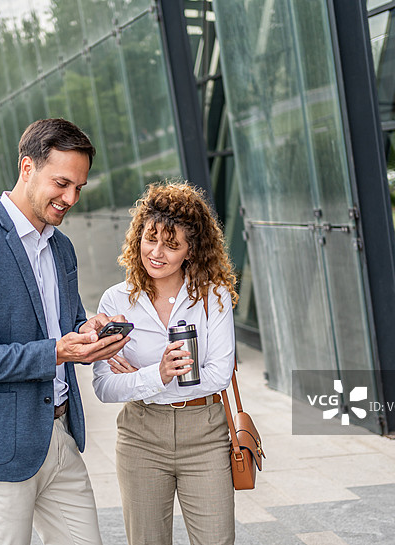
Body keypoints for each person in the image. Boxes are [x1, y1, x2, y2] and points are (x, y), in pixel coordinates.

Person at [0, 118, 129, 545]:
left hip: (59, 437)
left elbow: (66, 319)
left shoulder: (60, 245)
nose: (71, 197)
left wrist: (88, 328)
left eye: (79, 187)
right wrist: (55, 352)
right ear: (27, 167)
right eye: (61, 183)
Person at [93, 182, 239, 545]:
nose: (156, 253)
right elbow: (104, 386)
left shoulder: (213, 297)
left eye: (172, 245)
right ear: (138, 236)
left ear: (191, 250)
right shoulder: (116, 300)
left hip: (204, 433)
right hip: (141, 435)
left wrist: (138, 377)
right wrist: (156, 374)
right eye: (150, 239)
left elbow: (219, 374)